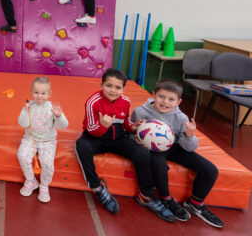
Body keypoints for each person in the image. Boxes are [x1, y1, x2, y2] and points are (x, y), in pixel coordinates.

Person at [75, 68, 174, 222]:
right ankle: (97, 187)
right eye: (109, 86)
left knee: (142, 154)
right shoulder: (92, 102)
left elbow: (125, 121)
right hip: (95, 137)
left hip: (118, 138)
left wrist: (133, 127)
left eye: (118, 87)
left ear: (123, 88)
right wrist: (103, 125)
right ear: (101, 85)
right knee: (81, 146)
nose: (113, 90)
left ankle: (146, 196)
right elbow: (91, 129)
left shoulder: (125, 101)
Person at [131, 79, 223, 228]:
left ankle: (195, 203)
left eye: (171, 99)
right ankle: (166, 198)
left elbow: (189, 148)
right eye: (161, 96)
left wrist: (189, 135)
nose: (165, 102)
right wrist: (137, 139)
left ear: (178, 102)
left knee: (210, 169)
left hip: (175, 146)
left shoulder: (181, 118)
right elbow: (131, 132)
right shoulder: (140, 111)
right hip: (154, 149)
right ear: (153, 95)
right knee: (159, 166)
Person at [17, 76, 68, 203]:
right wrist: (24, 110)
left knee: (47, 163)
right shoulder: (29, 106)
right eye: (36, 92)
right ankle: (31, 180)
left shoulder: (52, 108)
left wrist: (59, 116)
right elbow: (22, 124)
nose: (39, 96)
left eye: (43, 93)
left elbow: (64, 125)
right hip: (31, 138)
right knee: (22, 155)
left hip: (48, 140)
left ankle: (44, 185)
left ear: (49, 94)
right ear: (31, 92)